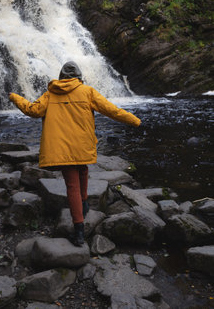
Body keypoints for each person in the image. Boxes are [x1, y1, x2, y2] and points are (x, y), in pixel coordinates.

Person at [9, 61, 141, 246]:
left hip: (62, 148)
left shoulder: (50, 94)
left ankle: (79, 229)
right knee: (82, 170)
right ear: (79, 77)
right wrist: (135, 121)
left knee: (72, 184)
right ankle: (82, 211)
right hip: (82, 145)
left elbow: (33, 110)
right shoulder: (87, 91)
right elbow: (112, 110)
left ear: (62, 77)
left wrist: (15, 97)